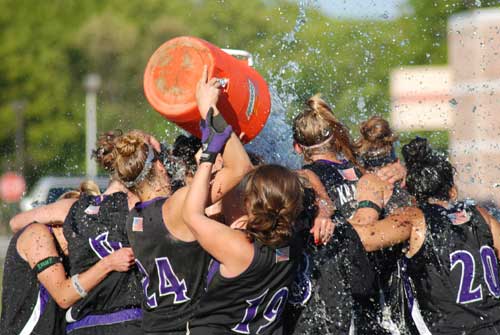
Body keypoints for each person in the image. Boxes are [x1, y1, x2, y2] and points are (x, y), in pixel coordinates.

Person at [113, 65, 253, 334]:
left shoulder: (134, 216)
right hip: (188, 328)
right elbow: (241, 168)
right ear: (160, 168)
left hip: (154, 328)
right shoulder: (177, 205)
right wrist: (210, 110)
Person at [351, 137, 500, 334]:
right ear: (452, 191)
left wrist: (369, 198)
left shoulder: (414, 217)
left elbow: (364, 238)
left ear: (413, 195)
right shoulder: (481, 214)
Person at [288, 95, 405, 334]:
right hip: (378, 286)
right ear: (336, 140)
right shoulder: (365, 172)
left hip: (337, 292)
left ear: (297, 147)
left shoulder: (303, 178)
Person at [184, 161, 304, 334]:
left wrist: (207, 159)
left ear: (249, 202)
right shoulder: (293, 243)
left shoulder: (239, 246)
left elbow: (190, 214)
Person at [0, 186, 134, 335]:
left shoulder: (75, 255)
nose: (87, 237)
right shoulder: (37, 235)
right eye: (83, 229)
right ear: (58, 222)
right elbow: (63, 295)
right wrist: (109, 263)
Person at [62, 130, 144, 334]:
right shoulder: (139, 205)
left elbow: (18, 221)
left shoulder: (76, 207)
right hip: (128, 322)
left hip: (81, 325)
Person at [350, 116, 414, 333]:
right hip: (414, 282)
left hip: (384, 289)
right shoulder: (410, 182)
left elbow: (361, 229)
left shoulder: (368, 183)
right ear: (394, 157)